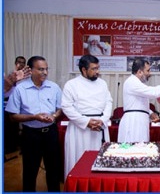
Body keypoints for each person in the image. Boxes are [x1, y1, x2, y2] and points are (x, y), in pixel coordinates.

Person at [5, 56, 62, 192]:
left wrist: (53, 116)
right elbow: (13, 116)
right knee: (30, 171)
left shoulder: (54, 87)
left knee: (53, 170)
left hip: (51, 133)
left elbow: (60, 109)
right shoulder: (20, 89)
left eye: (46, 69)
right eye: (41, 69)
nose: (45, 72)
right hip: (31, 135)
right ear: (30, 70)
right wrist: (33, 117)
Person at [61, 54, 113, 179]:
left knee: (100, 161)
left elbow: (108, 102)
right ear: (84, 70)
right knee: (79, 160)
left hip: (100, 126)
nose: (97, 71)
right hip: (80, 129)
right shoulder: (71, 84)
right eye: (94, 69)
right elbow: (67, 107)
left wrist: (102, 120)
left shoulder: (102, 83)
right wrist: (87, 122)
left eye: (98, 68)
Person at [117, 58, 160, 143]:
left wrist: (150, 113)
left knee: (141, 150)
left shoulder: (137, 83)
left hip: (139, 120)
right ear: (139, 72)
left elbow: (138, 103)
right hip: (133, 122)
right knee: (132, 151)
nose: (149, 74)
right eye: (148, 71)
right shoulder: (132, 82)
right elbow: (153, 93)